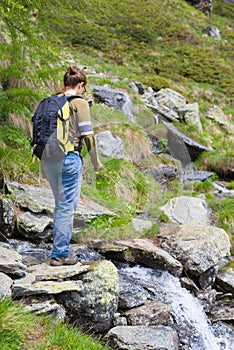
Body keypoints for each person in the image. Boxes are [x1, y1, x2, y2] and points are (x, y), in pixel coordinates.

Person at [41, 66, 102, 266]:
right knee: (67, 206)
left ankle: (58, 247)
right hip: (68, 157)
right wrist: (96, 162)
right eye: (84, 88)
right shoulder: (79, 103)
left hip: (48, 159)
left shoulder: (51, 101)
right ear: (80, 85)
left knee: (61, 204)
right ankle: (60, 254)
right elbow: (88, 134)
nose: (84, 92)